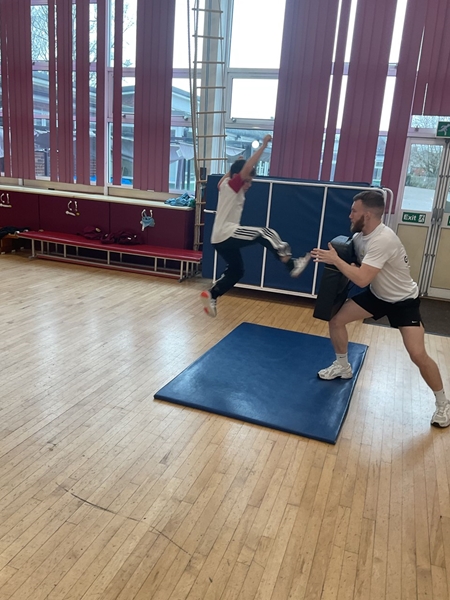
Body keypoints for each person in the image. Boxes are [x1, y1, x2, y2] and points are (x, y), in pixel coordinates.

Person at [311, 189, 450, 428]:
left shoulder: (383, 240)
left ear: (367, 215)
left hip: (403, 301)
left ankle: (443, 403)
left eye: (354, 211)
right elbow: (359, 269)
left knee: (417, 354)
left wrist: (336, 260)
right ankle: (343, 366)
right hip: (378, 295)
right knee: (336, 321)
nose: (350, 215)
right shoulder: (359, 237)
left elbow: (362, 279)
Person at [200, 134, 311, 317]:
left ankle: (212, 294)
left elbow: (229, 175)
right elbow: (246, 169)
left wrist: (237, 163)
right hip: (227, 232)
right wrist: (264, 145)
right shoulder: (233, 187)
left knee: (237, 271)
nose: (249, 185)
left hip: (218, 239)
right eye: (247, 181)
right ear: (238, 177)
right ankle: (291, 264)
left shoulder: (224, 184)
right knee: (265, 232)